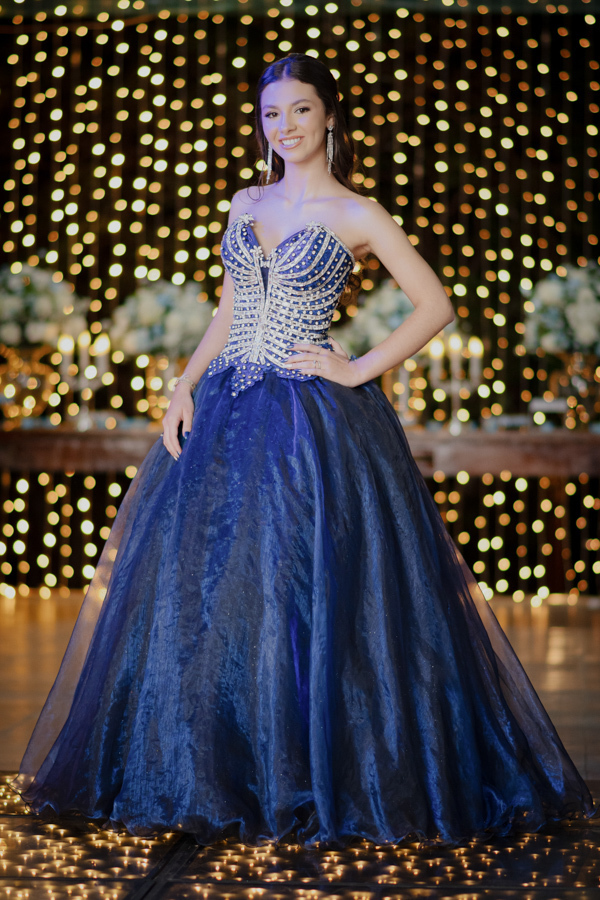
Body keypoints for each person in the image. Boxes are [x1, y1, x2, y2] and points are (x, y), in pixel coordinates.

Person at [10, 52, 595, 849]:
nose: (283, 127)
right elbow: (228, 311)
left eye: (299, 111)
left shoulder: (359, 214)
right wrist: (183, 387)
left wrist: (355, 366)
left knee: (301, 591)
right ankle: (218, 769)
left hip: (308, 424)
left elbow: (437, 305)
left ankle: (311, 770)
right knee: (214, 596)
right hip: (223, 411)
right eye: (270, 115)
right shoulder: (245, 200)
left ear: (330, 118)